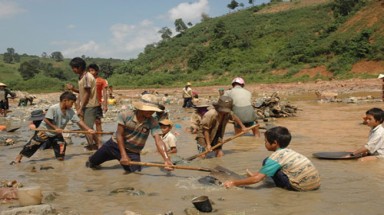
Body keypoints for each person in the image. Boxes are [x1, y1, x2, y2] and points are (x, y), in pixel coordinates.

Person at [86, 99, 174, 173]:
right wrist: (123, 155)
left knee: (134, 174)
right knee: (91, 163)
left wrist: (166, 159)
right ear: (140, 108)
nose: (151, 112)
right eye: (148, 109)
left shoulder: (152, 122)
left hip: (132, 152)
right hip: (113, 145)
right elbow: (119, 135)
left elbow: (158, 140)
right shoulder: (125, 115)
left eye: (153, 110)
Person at [223, 126, 321, 191]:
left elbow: (256, 180)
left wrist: (234, 182)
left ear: (274, 143)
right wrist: (255, 175)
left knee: (267, 162)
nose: (264, 143)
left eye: (265, 141)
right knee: (268, 165)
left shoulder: (275, 158)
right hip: (315, 185)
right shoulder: (289, 152)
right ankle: (260, 174)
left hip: (301, 187)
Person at [11, 92, 95, 163]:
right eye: (72, 103)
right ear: (65, 101)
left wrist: (88, 129)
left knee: (61, 147)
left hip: (56, 133)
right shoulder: (54, 108)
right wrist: (55, 128)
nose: (72, 105)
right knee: (32, 145)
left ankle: (60, 161)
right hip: (44, 131)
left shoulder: (70, 111)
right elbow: (47, 120)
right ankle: (18, 158)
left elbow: (79, 121)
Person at [68, 57, 99, 150]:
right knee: (83, 126)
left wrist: (80, 108)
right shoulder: (82, 77)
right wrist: (73, 89)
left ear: (80, 67)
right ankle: (91, 145)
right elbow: (82, 92)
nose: (73, 70)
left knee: (88, 127)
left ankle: (99, 145)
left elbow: (87, 93)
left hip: (90, 105)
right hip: (85, 105)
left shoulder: (86, 77)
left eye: (74, 67)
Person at [88, 63, 108, 148]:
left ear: (96, 71)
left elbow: (105, 93)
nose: (90, 72)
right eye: (89, 71)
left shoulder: (101, 81)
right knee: (89, 124)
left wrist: (105, 105)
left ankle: (99, 140)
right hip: (88, 104)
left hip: (97, 104)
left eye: (92, 70)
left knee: (98, 122)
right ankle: (91, 141)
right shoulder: (86, 80)